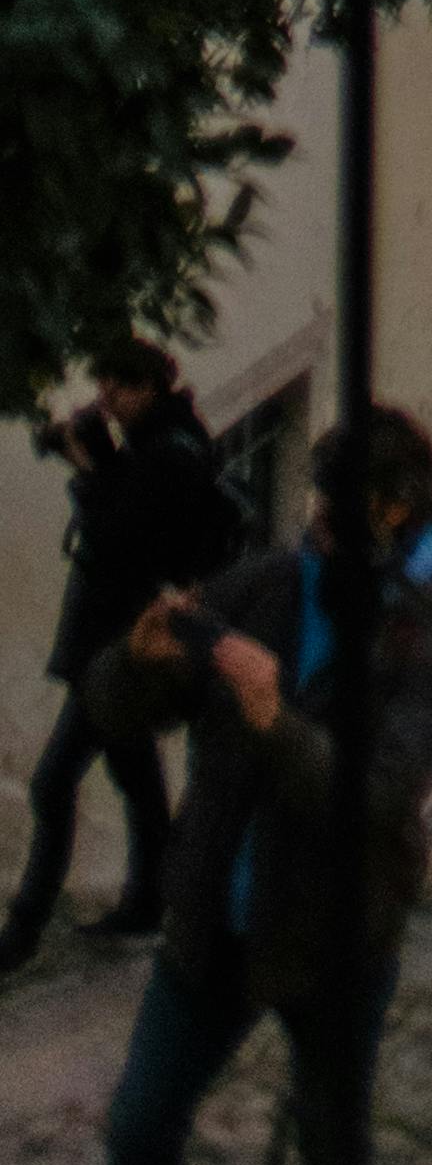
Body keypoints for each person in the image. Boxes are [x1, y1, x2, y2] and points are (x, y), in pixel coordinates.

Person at [95, 407, 432, 1165]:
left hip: (336, 933)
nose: (317, 517)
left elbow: (377, 795)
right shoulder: (269, 581)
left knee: (332, 1156)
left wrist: (275, 719)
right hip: (214, 920)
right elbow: (119, 708)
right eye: (317, 493)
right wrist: (137, 662)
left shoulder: (426, 641)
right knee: (138, 1127)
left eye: (338, 497)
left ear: (394, 508)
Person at [0, 354, 240, 981]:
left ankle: (22, 931)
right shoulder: (157, 445)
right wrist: (100, 459)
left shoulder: (169, 454)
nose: (105, 396)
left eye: (117, 385)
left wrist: (87, 469)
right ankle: (147, 903)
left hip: (119, 643)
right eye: (104, 383)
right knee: (134, 774)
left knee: (54, 782)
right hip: (117, 640)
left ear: (149, 387)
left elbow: (121, 540)